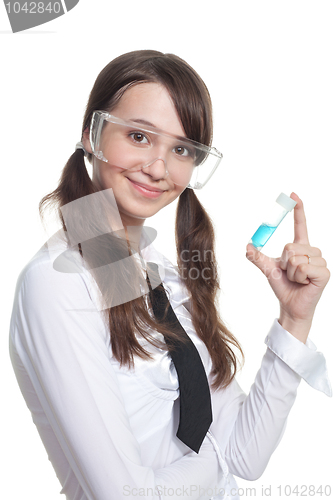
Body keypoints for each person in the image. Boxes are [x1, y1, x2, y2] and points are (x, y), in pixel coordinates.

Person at [9, 50, 331, 500]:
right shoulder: (60, 282)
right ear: (92, 135)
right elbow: (126, 495)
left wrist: (294, 320)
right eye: (139, 136)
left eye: (180, 149)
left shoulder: (156, 272)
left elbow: (245, 455)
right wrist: (212, 465)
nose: (159, 168)